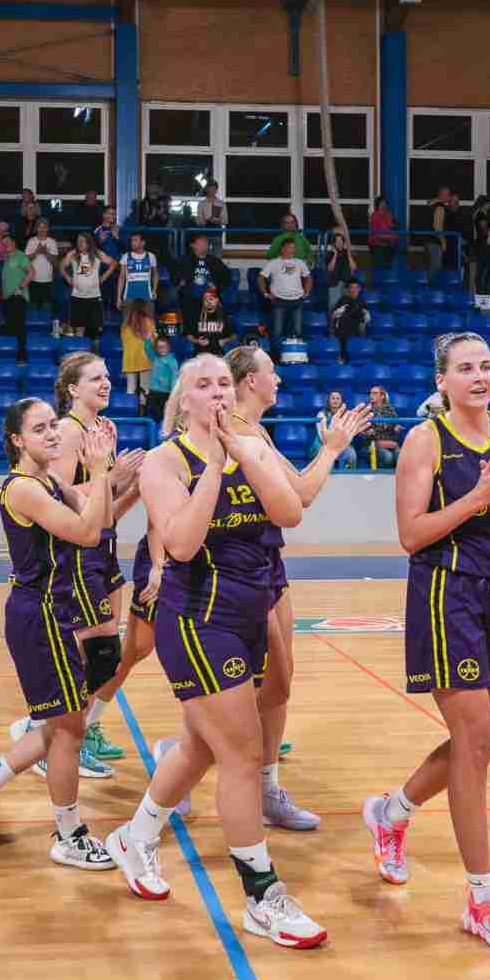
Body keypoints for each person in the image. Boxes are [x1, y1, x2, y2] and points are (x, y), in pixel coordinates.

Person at [101, 354, 325, 948]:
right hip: (197, 619)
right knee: (242, 755)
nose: (218, 392)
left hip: (249, 612)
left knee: (203, 744)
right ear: (184, 401)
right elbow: (179, 542)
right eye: (203, 384)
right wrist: (217, 469)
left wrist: (246, 455)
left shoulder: (252, 444)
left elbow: (290, 511)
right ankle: (261, 895)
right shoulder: (165, 461)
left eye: (224, 382)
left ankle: (135, 836)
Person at [361, 332, 490, 955]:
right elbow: (411, 534)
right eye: (465, 368)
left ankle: (391, 812)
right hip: (446, 591)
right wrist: (478, 496)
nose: (480, 376)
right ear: (441, 380)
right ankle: (482, 898)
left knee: (480, 744)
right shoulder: (425, 440)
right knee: (473, 741)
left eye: (486, 366)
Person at [187, 346, 370, 831]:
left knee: (275, 686)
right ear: (250, 380)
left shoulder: (256, 431)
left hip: (267, 562)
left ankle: (258, 783)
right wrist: (332, 450)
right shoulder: (237, 435)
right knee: (253, 687)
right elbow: (299, 497)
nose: (279, 379)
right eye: (271, 371)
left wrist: (329, 451)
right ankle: (190, 760)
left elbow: (298, 492)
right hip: (235, 571)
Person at [0, 401, 116, 869]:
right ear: (17, 440)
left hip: (54, 611)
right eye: (39, 429)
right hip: (39, 615)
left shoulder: (49, 482)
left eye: (53, 427)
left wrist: (103, 475)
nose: (52, 435)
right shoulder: (23, 488)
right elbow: (88, 533)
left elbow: (101, 519)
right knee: (69, 729)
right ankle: (69, 834)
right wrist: (99, 472)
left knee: (59, 725)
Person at [42, 354, 149, 772]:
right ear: (72, 388)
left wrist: (135, 488)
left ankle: (82, 729)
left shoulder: (105, 428)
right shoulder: (67, 431)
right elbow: (57, 496)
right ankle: (54, 737)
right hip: (78, 553)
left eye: (107, 376)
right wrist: (113, 477)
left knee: (107, 656)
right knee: (94, 655)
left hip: (105, 546)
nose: (106, 383)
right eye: (94, 378)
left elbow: (105, 511)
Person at [61, 232, 114, 345]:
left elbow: (113, 263)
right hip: (77, 297)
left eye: (83, 241)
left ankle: (94, 354)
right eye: (78, 241)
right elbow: (61, 265)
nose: (80, 243)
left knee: (95, 332)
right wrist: (67, 277)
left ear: (89, 242)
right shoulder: (73, 254)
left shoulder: (97, 253)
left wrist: (104, 277)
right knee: (79, 331)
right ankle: (81, 352)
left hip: (94, 297)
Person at [259, 238, 311, 344]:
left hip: (297, 301)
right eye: (290, 248)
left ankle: (295, 353)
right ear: (283, 249)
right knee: (277, 331)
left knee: (297, 331)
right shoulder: (273, 263)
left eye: (294, 248)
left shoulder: (300, 262)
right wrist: (265, 293)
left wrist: (307, 292)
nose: (293, 250)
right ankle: (275, 353)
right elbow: (261, 278)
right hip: (279, 301)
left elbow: (308, 277)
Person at [178, 232, 233, 332]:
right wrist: (183, 282)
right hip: (191, 299)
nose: (204, 245)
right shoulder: (185, 261)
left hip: (210, 300)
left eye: (206, 243)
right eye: (201, 243)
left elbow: (227, 277)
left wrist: (217, 286)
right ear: (193, 245)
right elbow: (178, 279)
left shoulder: (215, 261)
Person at [117, 231, 158, 339]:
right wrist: (119, 297)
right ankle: (125, 342)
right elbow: (121, 277)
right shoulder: (126, 256)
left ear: (142, 242)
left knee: (149, 321)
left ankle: (150, 344)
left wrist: (154, 290)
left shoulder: (151, 256)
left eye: (135, 240)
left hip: (146, 293)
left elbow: (155, 274)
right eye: (131, 241)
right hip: (129, 293)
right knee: (126, 321)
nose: (132, 243)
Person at [0, 235, 31, 364]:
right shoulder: (7, 258)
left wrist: (21, 287)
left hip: (18, 297)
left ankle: (22, 357)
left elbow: (31, 272)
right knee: (10, 328)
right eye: (3, 243)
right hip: (8, 298)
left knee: (19, 328)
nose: (5, 245)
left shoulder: (20, 256)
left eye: (7, 242)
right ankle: (11, 359)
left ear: (14, 243)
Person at [24, 218, 60, 322]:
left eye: (44, 227)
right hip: (32, 280)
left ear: (48, 229)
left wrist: (45, 252)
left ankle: (47, 328)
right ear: (36, 228)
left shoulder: (52, 242)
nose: (42, 229)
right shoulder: (31, 241)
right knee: (32, 307)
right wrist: (37, 252)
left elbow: (55, 263)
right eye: (40, 227)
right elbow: (25, 260)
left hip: (48, 281)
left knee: (47, 307)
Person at [313, 390, 358, 469]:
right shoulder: (321, 414)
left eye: (338, 398)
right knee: (327, 455)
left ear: (341, 401)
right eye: (333, 398)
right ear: (329, 401)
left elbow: (348, 433)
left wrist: (340, 445)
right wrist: (331, 446)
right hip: (323, 443)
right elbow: (322, 436)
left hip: (341, 443)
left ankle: (348, 474)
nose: (335, 401)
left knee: (352, 454)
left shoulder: (346, 415)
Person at [121, 304, 155, 404]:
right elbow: (153, 342)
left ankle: (129, 409)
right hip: (145, 360)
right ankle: (142, 410)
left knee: (130, 389)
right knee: (145, 388)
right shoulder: (149, 323)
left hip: (129, 360)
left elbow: (124, 343)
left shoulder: (125, 326)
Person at [329, 277, 368, 363]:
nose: (354, 290)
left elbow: (366, 319)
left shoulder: (362, 301)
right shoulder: (343, 300)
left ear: (359, 289)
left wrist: (365, 316)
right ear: (348, 289)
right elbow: (334, 316)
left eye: (356, 287)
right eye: (352, 287)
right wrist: (338, 313)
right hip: (343, 332)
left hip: (356, 332)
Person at [187, 286, 235, 356]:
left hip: (218, 353)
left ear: (217, 300)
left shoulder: (225, 315)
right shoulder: (196, 315)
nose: (208, 302)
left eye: (211, 299)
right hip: (200, 353)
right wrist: (197, 341)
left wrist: (224, 341)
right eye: (205, 300)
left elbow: (234, 335)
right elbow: (189, 335)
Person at [146, 336, 178, 420]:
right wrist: (148, 339)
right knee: (151, 414)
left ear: (169, 347)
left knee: (162, 416)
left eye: (164, 347)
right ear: (156, 349)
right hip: (153, 391)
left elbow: (174, 378)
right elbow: (148, 349)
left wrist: (172, 395)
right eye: (159, 347)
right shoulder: (155, 358)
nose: (162, 349)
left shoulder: (172, 361)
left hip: (164, 393)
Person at [325, 231, 359, 310]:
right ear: (334, 243)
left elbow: (354, 267)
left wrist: (348, 254)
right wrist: (335, 255)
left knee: (347, 308)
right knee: (334, 307)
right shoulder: (329, 254)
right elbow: (330, 268)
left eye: (341, 240)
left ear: (344, 242)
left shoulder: (348, 253)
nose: (339, 242)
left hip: (347, 284)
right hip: (334, 284)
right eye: (337, 241)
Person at [369, 195, 399, 270]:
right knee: (378, 268)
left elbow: (392, 225)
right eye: (382, 203)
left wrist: (394, 224)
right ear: (378, 205)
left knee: (388, 267)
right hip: (377, 246)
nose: (384, 205)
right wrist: (390, 237)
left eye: (385, 203)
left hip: (389, 245)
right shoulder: (374, 216)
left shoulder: (388, 214)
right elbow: (376, 234)